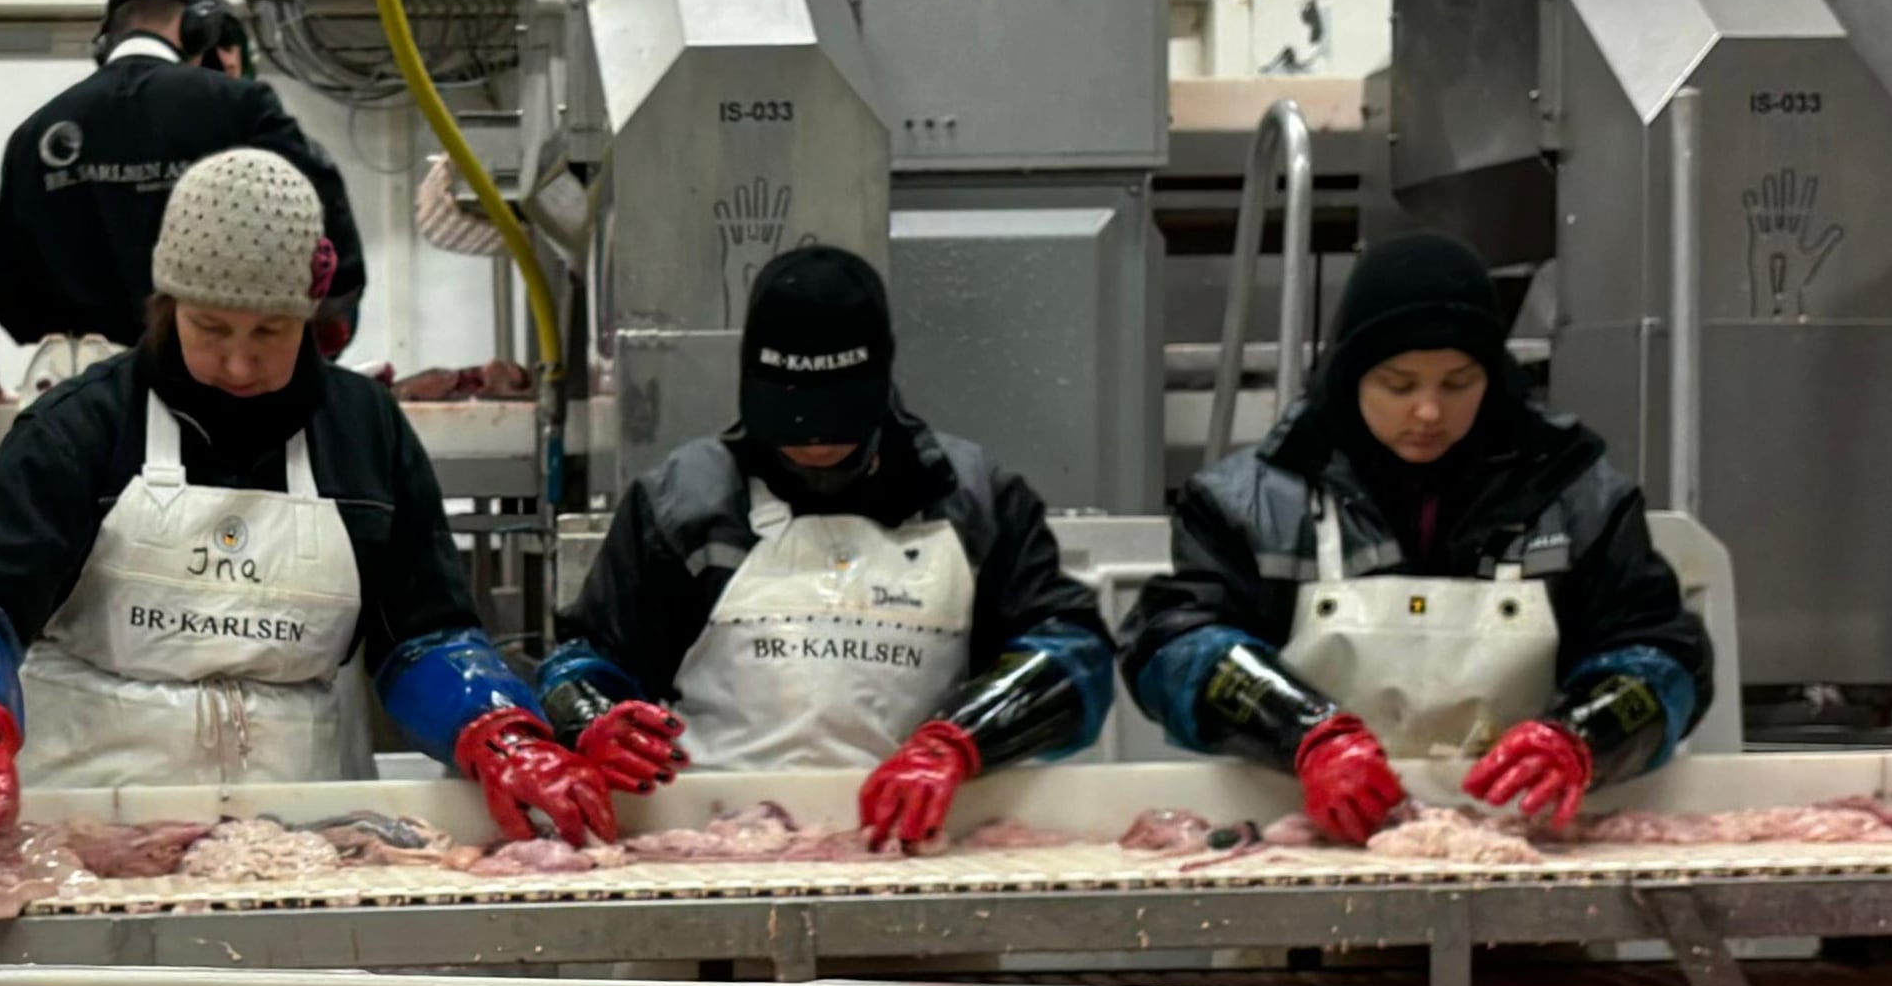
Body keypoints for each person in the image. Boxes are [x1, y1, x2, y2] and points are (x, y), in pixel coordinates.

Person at [0, 148, 606, 845]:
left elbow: (423, 636)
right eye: (211, 327)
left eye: (271, 331)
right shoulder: (85, 425)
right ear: (168, 304)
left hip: (310, 829)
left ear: (313, 317)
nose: (238, 360)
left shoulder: (361, 429)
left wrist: (498, 728)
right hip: (93, 828)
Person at [1119, 229, 1710, 840]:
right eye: (1399, 385)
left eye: (1458, 383)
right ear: (1350, 375)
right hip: (1303, 846)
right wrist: (1305, 735)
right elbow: (1174, 649)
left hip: (1521, 846)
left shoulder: (1576, 495)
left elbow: (1665, 658)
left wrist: (1584, 735)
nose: (1428, 412)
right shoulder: (1250, 504)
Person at [535, 244, 1109, 849]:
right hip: (717, 854)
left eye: (838, 417)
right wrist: (590, 716)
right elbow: (583, 659)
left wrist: (961, 740)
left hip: (921, 855)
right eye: (791, 416)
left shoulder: (974, 501)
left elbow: (1073, 656)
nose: (814, 442)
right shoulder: (685, 503)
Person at [0, 0, 365, 389]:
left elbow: (12, 285)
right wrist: (323, 323)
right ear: (196, 32)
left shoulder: (35, 135)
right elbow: (319, 211)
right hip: (216, 385)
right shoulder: (239, 106)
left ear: (104, 42)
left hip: (80, 391)